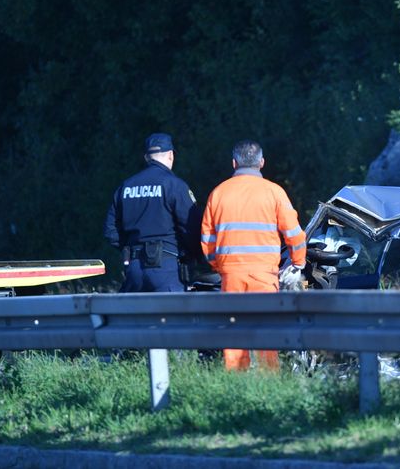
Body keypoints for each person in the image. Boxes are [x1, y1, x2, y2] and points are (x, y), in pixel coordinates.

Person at [200, 140, 306, 371]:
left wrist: (220, 266)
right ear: (262, 162)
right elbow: (294, 234)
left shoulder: (218, 193)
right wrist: (298, 262)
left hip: (231, 275)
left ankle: (237, 383)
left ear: (234, 163)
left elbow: (207, 240)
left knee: (234, 334)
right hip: (264, 275)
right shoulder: (274, 192)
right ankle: (269, 384)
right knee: (267, 332)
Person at [104, 133, 200, 293]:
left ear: (146, 157)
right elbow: (192, 228)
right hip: (167, 267)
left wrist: (129, 248)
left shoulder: (126, 186)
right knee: (172, 317)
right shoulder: (174, 185)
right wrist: (191, 255)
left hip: (134, 268)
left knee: (136, 317)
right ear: (171, 155)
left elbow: (110, 230)